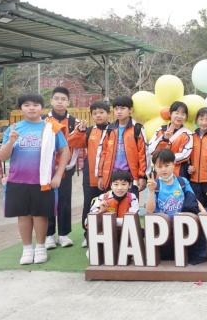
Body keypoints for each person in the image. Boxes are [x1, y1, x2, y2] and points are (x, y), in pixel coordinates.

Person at [0, 94, 69, 264]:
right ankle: (27, 249)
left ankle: (40, 247)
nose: (31, 108)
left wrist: (58, 175)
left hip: (43, 181)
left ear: (42, 108)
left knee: (40, 215)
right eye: (27, 105)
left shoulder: (51, 127)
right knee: (23, 216)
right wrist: (11, 141)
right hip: (18, 180)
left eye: (36, 105)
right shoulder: (14, 129)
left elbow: (65, 152)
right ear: (21, 108)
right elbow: (2, 156)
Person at [146, 149, 207, 264]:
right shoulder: (154, 184)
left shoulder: (182, 181)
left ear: (174, 164)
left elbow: (193, 199)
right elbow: (149, 211)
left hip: (183, 224)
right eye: (159, 166)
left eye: (167, 165)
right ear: (155, 168)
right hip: (164, 227)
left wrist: (203, 212)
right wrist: (151, 191)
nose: (163, 169)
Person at [68, 100, 110, 247]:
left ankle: (108, 234)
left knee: (109, 204)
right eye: (95, 113)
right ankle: (88, 234)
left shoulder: (114, 130)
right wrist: (80, 131)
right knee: (89, 205)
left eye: (101, 112)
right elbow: (73, 143)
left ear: (108, 113)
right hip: (90, 175)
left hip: (109, 176)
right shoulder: (89, 130)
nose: (98, 115)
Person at [44, 86, 78, 249]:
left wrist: (70, 165)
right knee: (48, 201)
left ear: (68, 102)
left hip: (66, 167)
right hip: (47, 168)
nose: (59, 102)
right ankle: (49, 235)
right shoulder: (43, 120)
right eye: (56, 98)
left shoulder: (74, 122)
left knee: (64, 201)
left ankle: (63, 234)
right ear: (51, 101)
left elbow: (78, 145)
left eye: (63, 99)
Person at [97, 96, 149, 197]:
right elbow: (103, 153)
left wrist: (142, 176)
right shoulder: (110, 129)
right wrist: (100, 175)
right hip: (112, 176)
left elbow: (143, 154)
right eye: (116, 109)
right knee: (111, 204)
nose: (119, 111)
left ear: (130, 110)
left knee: (131, 204)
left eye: (122, 108)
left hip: (130, 176)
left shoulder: (137, 128)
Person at [147, 101, 193, 176]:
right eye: (177, 113)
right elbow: (151, 150)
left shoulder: (188, 134)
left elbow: (185, 155)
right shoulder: (160, 130)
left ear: (186, 117)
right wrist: (164, 138)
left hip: (178, 172)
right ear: (170, 114)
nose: (179, 116)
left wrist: (165, 159)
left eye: (183, 114)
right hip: (160, 172)